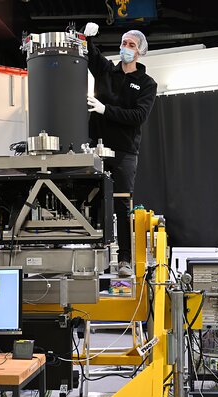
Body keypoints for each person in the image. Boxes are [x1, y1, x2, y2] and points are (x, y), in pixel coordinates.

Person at [83, 22, 157, 277]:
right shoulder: (106, 71)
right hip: (96, 149)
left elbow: (138, 116)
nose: (126, 47)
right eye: (124, 43)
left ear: (140, 51)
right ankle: (92, 257)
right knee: (90, 202)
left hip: (124, 151)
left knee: (122, 205)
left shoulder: (147, 84)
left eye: (132, 45)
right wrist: (87, 37)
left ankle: (124, 259)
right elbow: (90, 55)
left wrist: (106, 110)